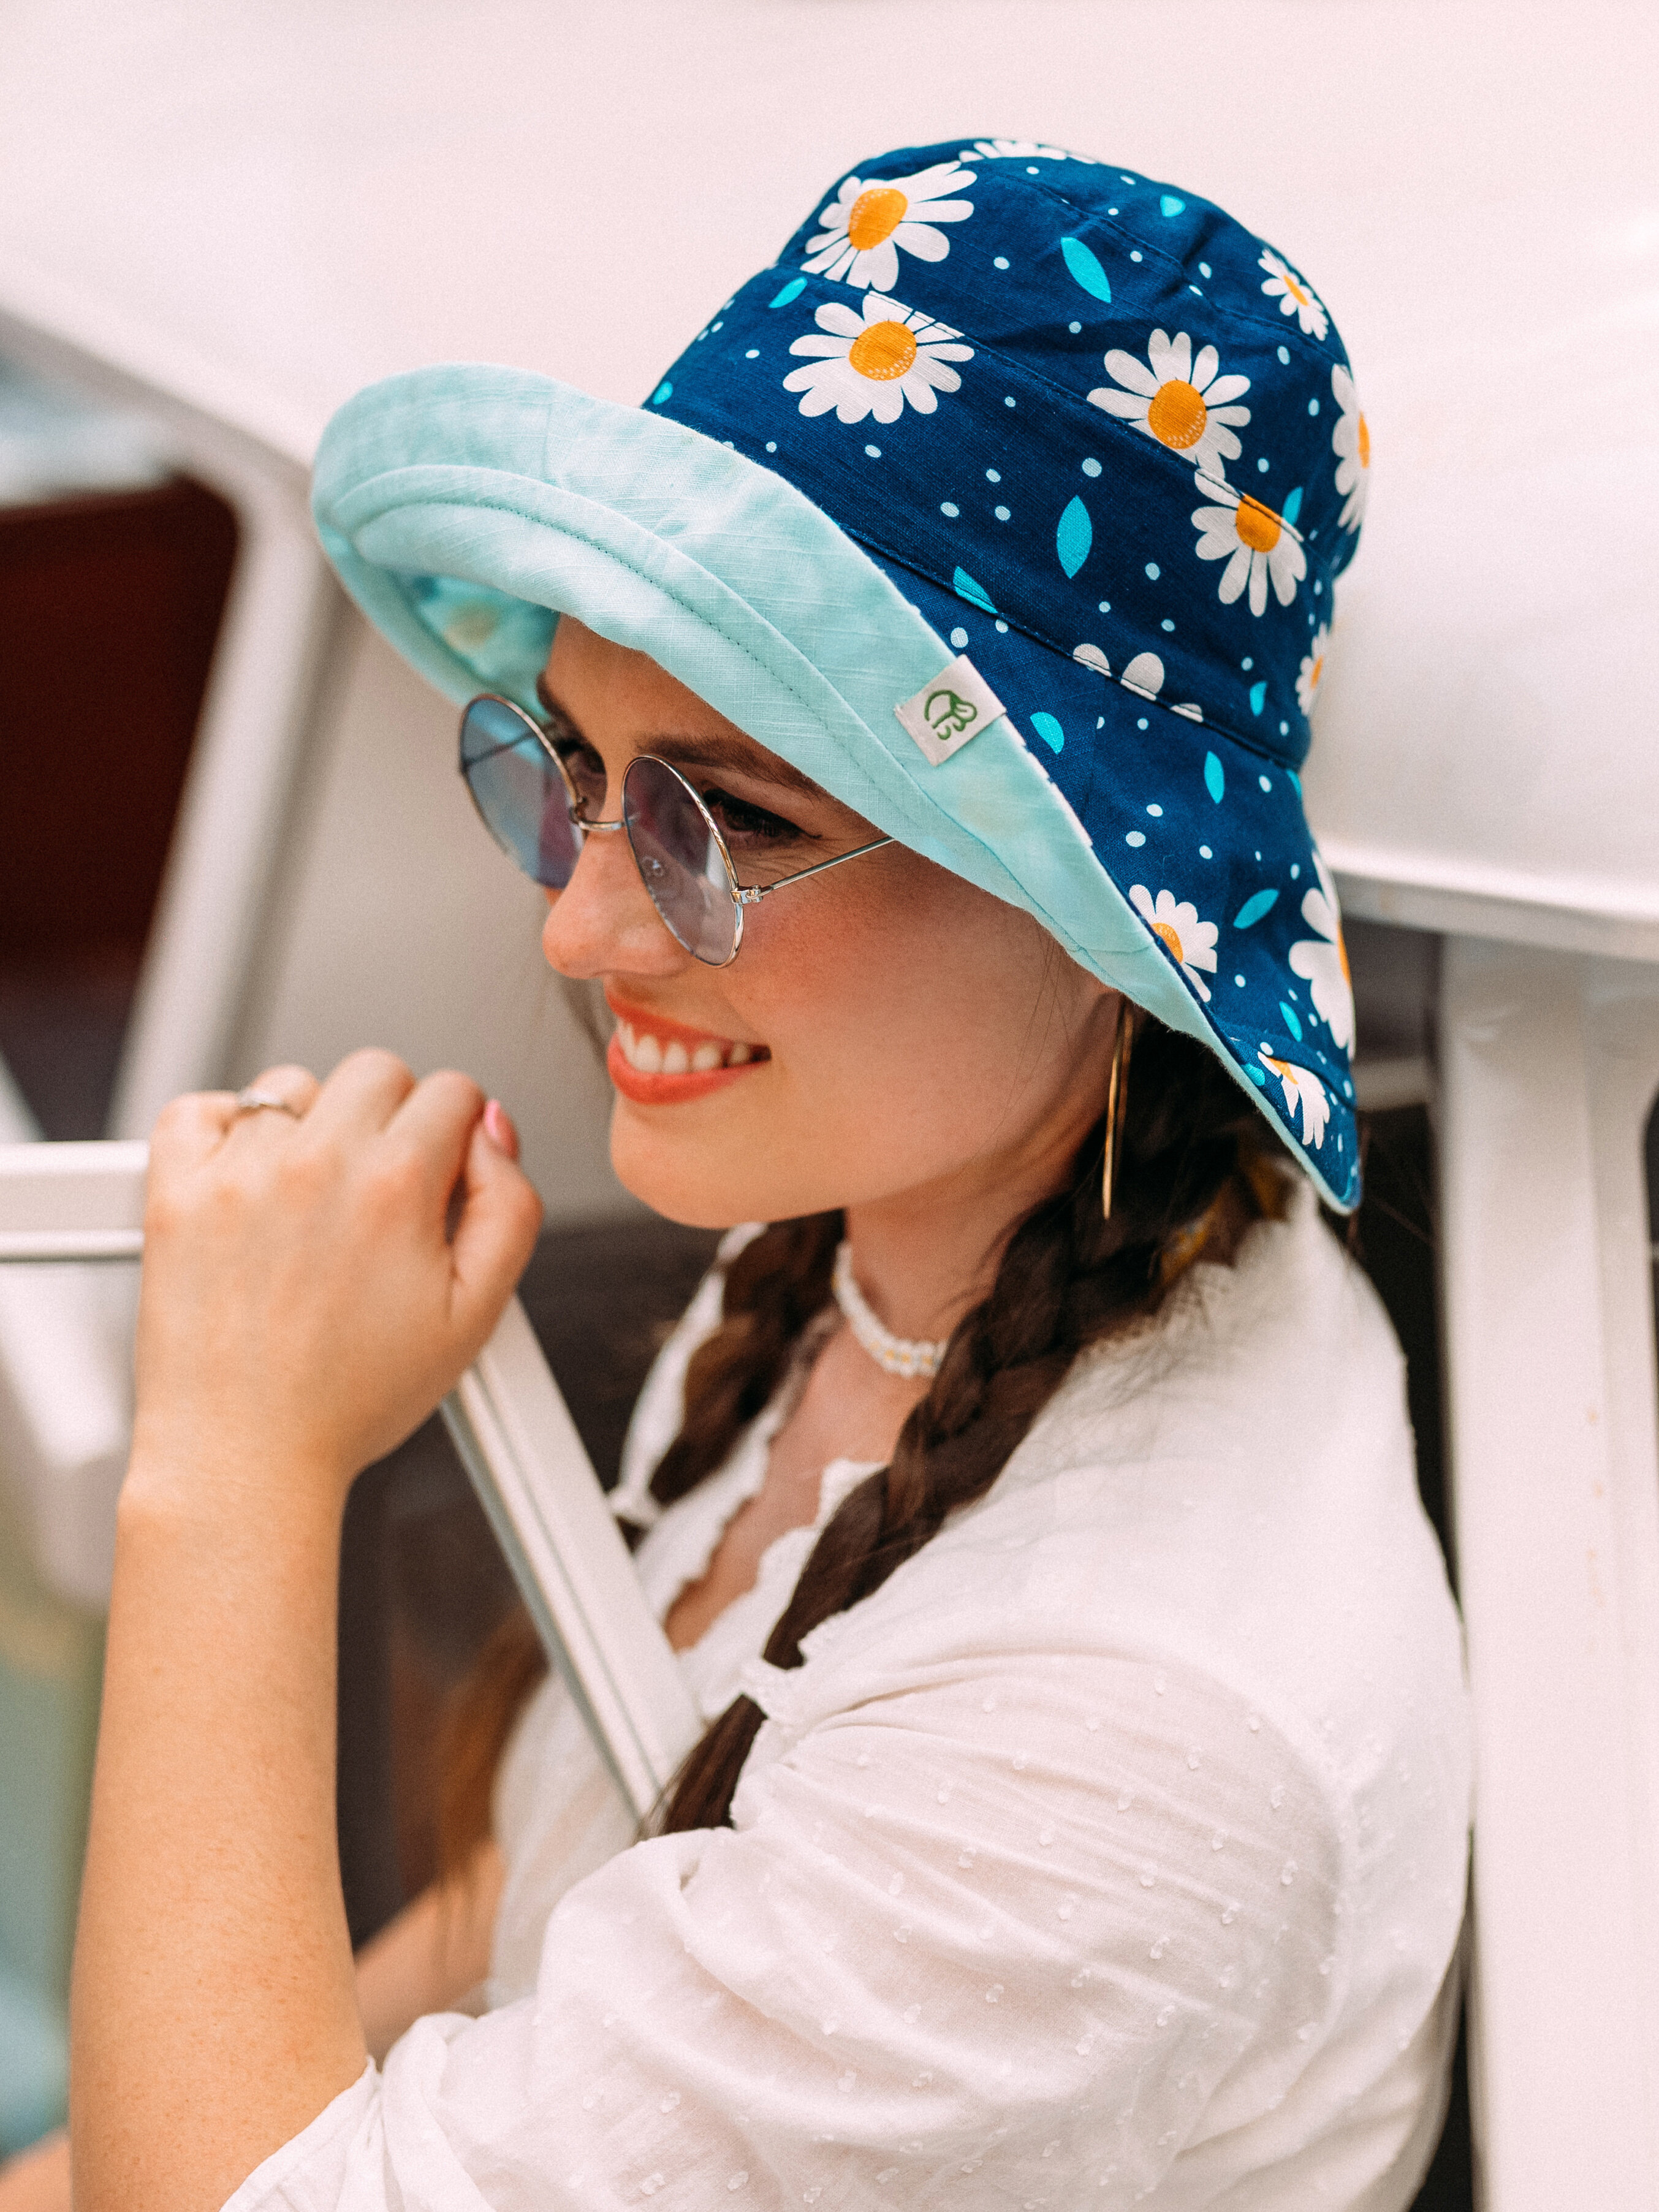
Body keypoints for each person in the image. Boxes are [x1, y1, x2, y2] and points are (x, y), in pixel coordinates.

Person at [8, 139, 1468, 2212]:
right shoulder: (897, 1235)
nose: (578, 928)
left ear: (1103, 916)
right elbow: (545, 1902)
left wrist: (234, 1455)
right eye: (575, 772)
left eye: (734, 825)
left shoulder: (1122, 1737)